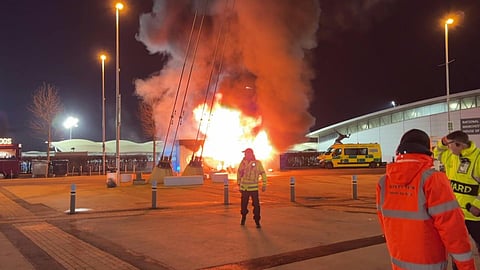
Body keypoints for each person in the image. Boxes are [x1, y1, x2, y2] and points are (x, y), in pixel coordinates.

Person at [376, 129, 475, 270]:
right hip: (430, 263)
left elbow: (385, 224)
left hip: (398, 261)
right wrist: (466, 266)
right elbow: (453, 230)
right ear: (426, 151)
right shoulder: (433, 180)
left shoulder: (383, 182)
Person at [434, 130, 480, 270]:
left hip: (473, 214)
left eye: (450, 145)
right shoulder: (451, 156)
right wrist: (443, 142)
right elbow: (436, 152)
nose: (447, 148)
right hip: (455, 213)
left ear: (459, 144)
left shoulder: (478, 158)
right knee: (458, 250)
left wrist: (477, 204)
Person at [237, 148, 267, 228]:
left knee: (256, 206)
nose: (245, 155)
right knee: (243, 205)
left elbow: (263, 173)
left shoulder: (257, 163)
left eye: (246, 154)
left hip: (254, 189)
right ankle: (243, 217)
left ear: (251, 154)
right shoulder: (242, 163)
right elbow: (239, 173)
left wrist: (264, 184)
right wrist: (239, 183)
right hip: (244, 189)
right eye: (245, 154)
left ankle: (257, 221)